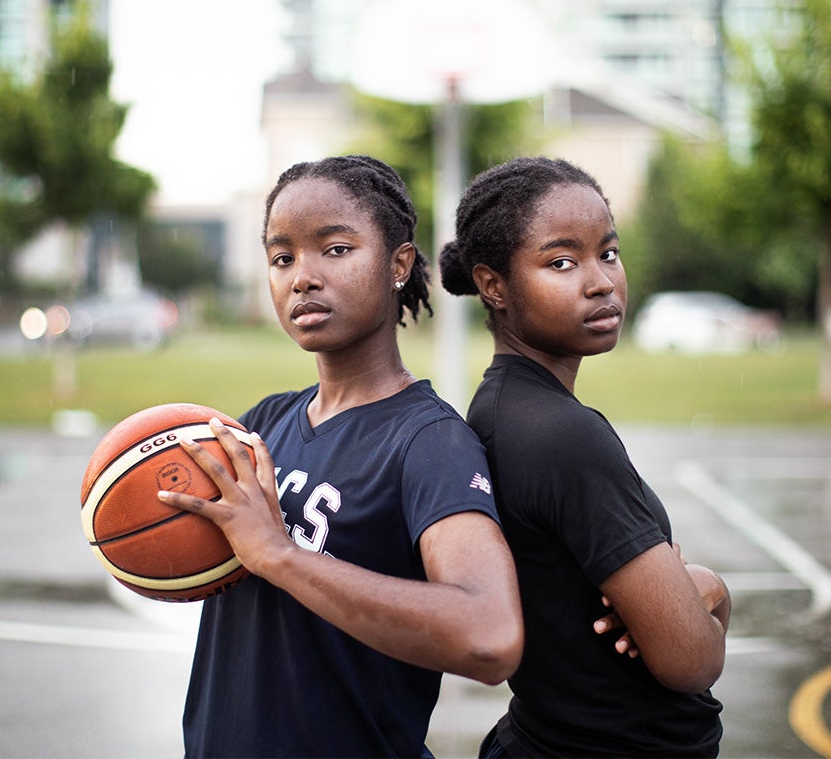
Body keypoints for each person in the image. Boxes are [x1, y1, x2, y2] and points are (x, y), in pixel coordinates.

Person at [157, 155, 523, 758]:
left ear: (398, 263)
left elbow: (490, 635)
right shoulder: (260, 425)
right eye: (283, 257)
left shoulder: (429, 442)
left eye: (335, 248)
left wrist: (279, 554)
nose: (302, 276)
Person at [439, 156, 730, 758]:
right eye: (562, 262)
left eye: (610, 253)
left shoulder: (499, 408)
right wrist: (709, 587)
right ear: (493, 285)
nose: (600, 281)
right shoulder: (565, 437)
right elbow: (691, 661)